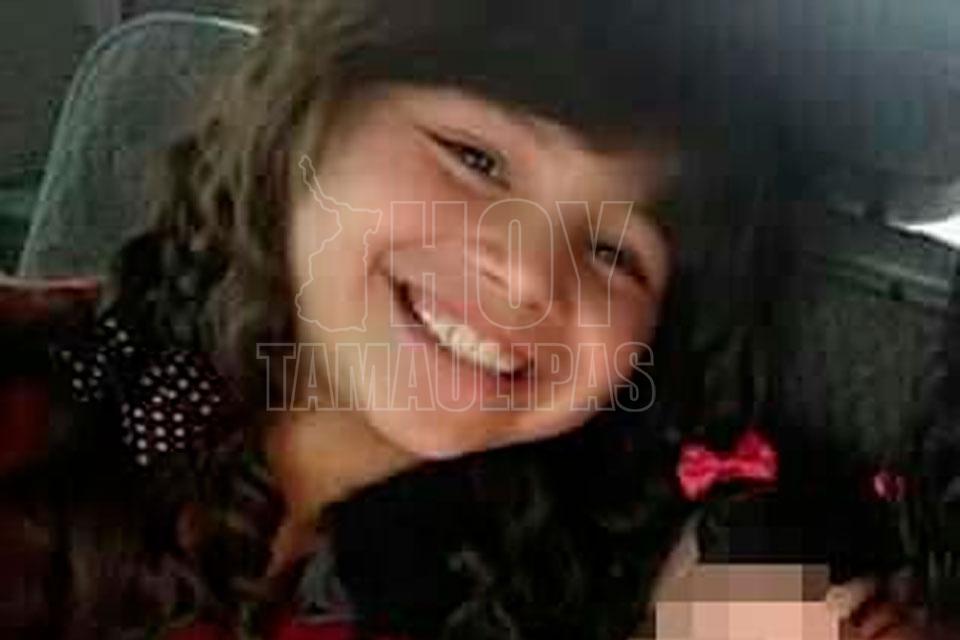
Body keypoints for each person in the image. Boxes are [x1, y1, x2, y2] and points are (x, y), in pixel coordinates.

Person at [0, 0, 822, 638]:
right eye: (476, 159)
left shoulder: (539, 580)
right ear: (299, 125)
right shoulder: (31, 392)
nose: (527, 277)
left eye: (617, 253)